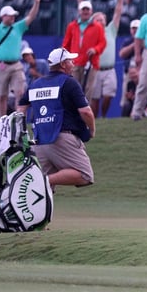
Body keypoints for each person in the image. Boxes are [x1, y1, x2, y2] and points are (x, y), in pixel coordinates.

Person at [16, 48, 95, 190]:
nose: (73, 63)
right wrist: (92, 130)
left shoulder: (35, 84)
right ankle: (44, 180)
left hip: (39, 140)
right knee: (85, 175)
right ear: (63, 64)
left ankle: (38, 191)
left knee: (42, 194)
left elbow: (20, 109)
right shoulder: (69, 82)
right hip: (61, 138)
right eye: (70, 61)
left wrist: (23, 133)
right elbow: (86, 112)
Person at [0, 0, 41, 119]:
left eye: (14, 15)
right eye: (11, 15)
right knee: (2, 95)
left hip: (16, 65)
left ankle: (18, 120)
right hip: (1, 65)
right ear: (3, 16)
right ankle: (3, 121)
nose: (13, 17)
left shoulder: (18, 27)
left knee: (20, 93)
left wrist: (36, 3)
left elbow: (31, 16)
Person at [63, 0, 107, 102]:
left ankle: (85, 112)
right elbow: (66, 43)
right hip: (75, 62)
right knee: (74, 87)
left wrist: (95, 49)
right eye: (83, 9)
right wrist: (64, 58)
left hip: (91, 62)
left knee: (88, 89)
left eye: (87, 10)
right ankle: (75, 111)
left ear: (91, 11)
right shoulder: (72, 26)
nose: (85, 12)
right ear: (79, 11)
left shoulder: (97, 27)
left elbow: (102, 43)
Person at [90, 0, 124, 118]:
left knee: (109, 95)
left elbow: (118, 13)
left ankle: (103, 116)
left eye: (102, 19)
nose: (100, 22)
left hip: (109, 70)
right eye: (97, 20)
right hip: (96, 69)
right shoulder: (90, 33)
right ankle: (95, 120)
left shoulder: (111, 30)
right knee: (95, 98)